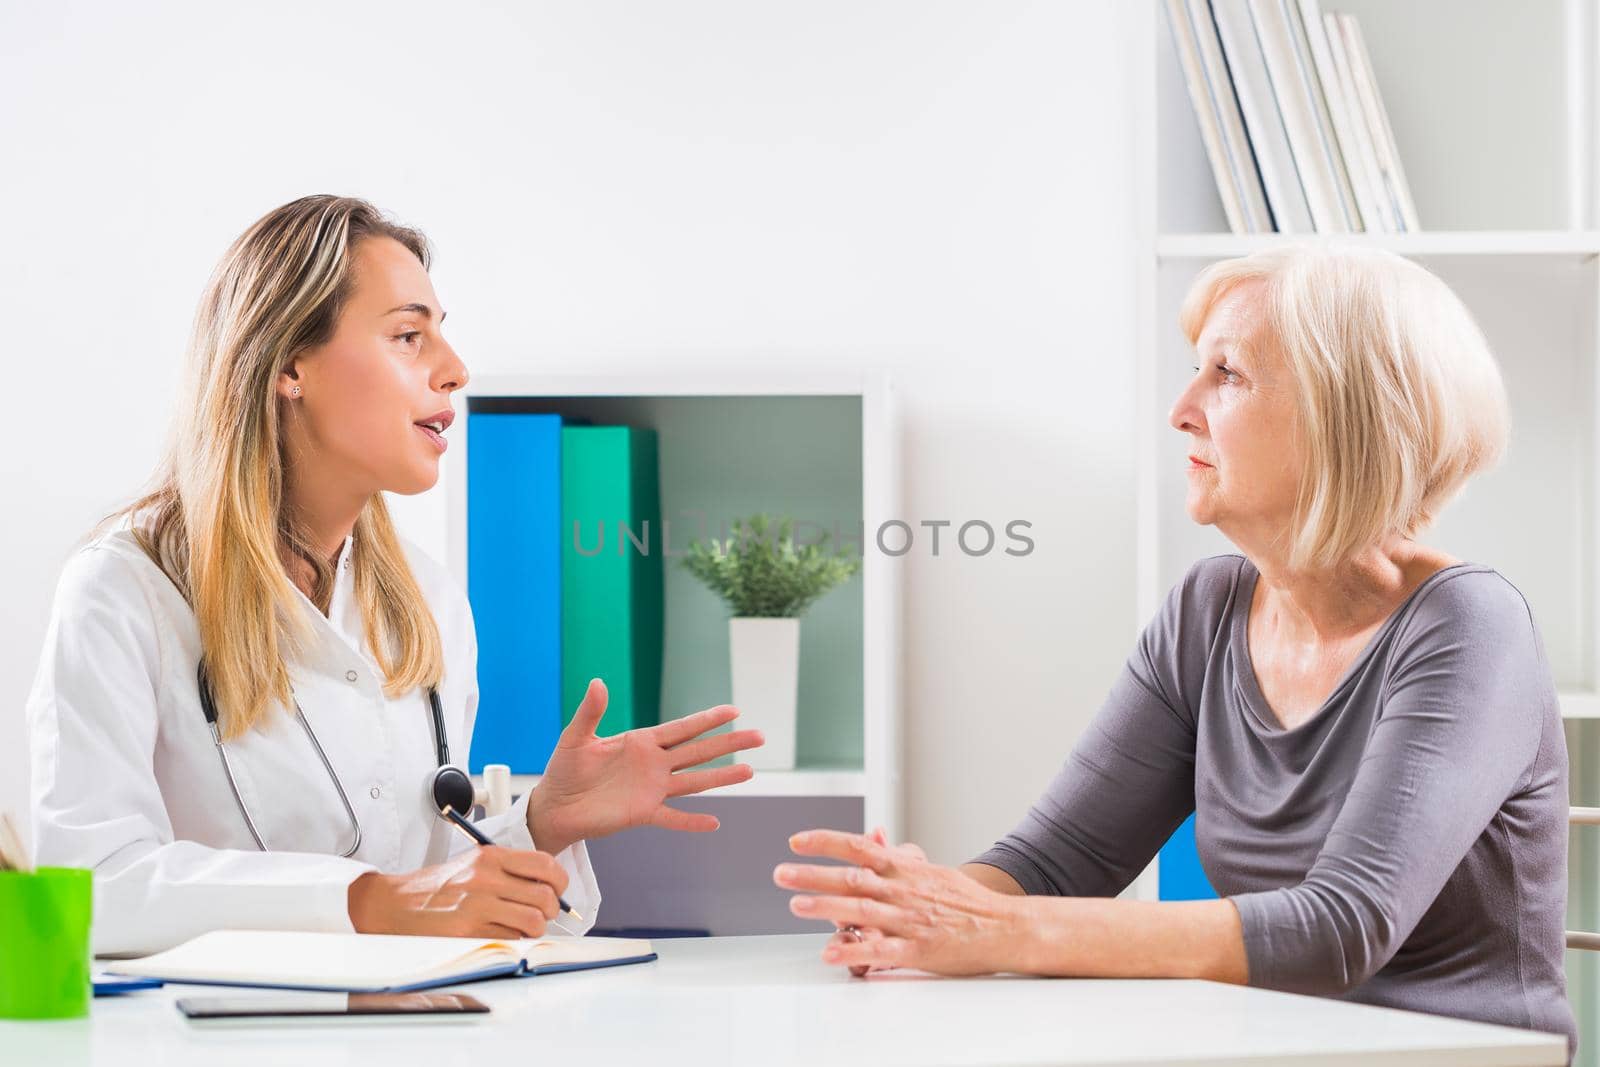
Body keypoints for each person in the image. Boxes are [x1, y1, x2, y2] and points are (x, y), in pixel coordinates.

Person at [774, 245, 1576, 1056]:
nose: (1182, 408)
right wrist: (920, 906)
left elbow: (1339, 927)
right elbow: (1060, 860)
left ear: (1343, 413)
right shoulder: (1210, 609)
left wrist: (990, 925)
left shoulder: (1470, 625)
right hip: (1268, 1046)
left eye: (1226, 374)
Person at [28, 194, 762, 957]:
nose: (454, 369)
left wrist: (543, 820)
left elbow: (427, 888)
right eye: (409, 335)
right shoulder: (126, 590)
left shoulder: (429, 602)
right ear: (288, 366)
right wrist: (364, 900)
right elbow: (90, 883)